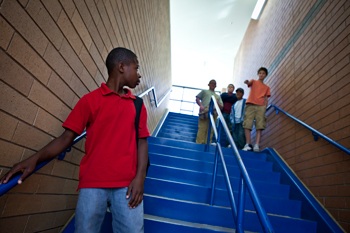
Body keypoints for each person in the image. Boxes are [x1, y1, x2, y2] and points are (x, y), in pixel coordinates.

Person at [0, 48, 150, 233]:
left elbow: (142, 142)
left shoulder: (137, 104)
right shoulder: (90, 101)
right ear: (121, 67)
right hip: (92, 184)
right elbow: (66, 138)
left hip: (127, 185)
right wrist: (34, 159)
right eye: (136, 68)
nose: (139, 74)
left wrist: (140, 178)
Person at [242, 67, 271, 152]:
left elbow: (266, 98)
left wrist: (265, 107)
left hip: (261, 107)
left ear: (265, 75)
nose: (261, 74)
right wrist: (247, 82)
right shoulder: (253, 81)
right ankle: (248, 144)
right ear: (258, 74)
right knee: (247, 124)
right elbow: (249, 83)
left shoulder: (266, 87)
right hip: (250, 105)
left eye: (263, 73)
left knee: (259, 126)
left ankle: (257, 145)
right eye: (260, 73)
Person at [195, 79, 223, 145]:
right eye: (211, 83)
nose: (213, 84)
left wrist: (217, 102)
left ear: (215, 86)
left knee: (211, 129)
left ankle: (207, 143)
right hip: (204, 112)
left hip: (213, 114)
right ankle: (199, 143)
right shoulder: (204, 91)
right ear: (208, 84)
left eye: (214, 83)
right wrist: (201, 105)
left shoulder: (218, 96)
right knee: (202, 128)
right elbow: (197, 98)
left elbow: (221, 107)